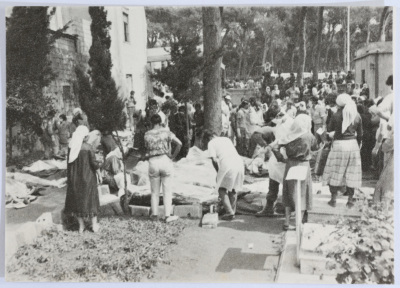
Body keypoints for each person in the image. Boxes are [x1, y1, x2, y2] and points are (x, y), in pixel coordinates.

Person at [270, 114, 318, 230]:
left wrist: (281, 158)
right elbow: (315, 148)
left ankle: (286, 221)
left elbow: (274, 147)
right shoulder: (309, 136)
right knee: (303, 193)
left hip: (290, 164)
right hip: (304, 165)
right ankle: (299, 222)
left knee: (288, 192)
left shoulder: (289, 136)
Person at [323, 94, 363, 208]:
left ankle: (333, 199)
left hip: (339, 145)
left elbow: (330, 130)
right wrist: (358, 144)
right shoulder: (356, 115)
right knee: (352, 173)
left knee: (335, 172)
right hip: (353, 144)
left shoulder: (336, 115)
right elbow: (360, 134)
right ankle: (350, 200)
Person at [144, 114, 182, 222]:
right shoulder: (167, 132)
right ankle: (167, 215)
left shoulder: (147, 134)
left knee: (154, 191)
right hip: (165, 159)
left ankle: (154, 215)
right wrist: (173, 156)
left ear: (151, 123)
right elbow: (179, 143)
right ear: (160, 122)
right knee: (167, 190)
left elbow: (146, 148)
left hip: (153, 161)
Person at [64, 125, 102, 233]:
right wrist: (99, 168)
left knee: (78, 201)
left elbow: (69, 164)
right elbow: (94, 164)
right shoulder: (88, 147)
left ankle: (81, 226)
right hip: (88, 177)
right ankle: (94, 225)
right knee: (91, 200)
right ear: (85, 137)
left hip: (75, 179)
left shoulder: (71, 147)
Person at [204, 130, 244, 221]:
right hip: (238, 162)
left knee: (221, 188)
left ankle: (229, 212)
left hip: (227, 164)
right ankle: (232, 211)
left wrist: (218, 172)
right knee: (233, 188)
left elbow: (214, 160)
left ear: (208, 138)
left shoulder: (211, 143)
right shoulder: (226, 139)